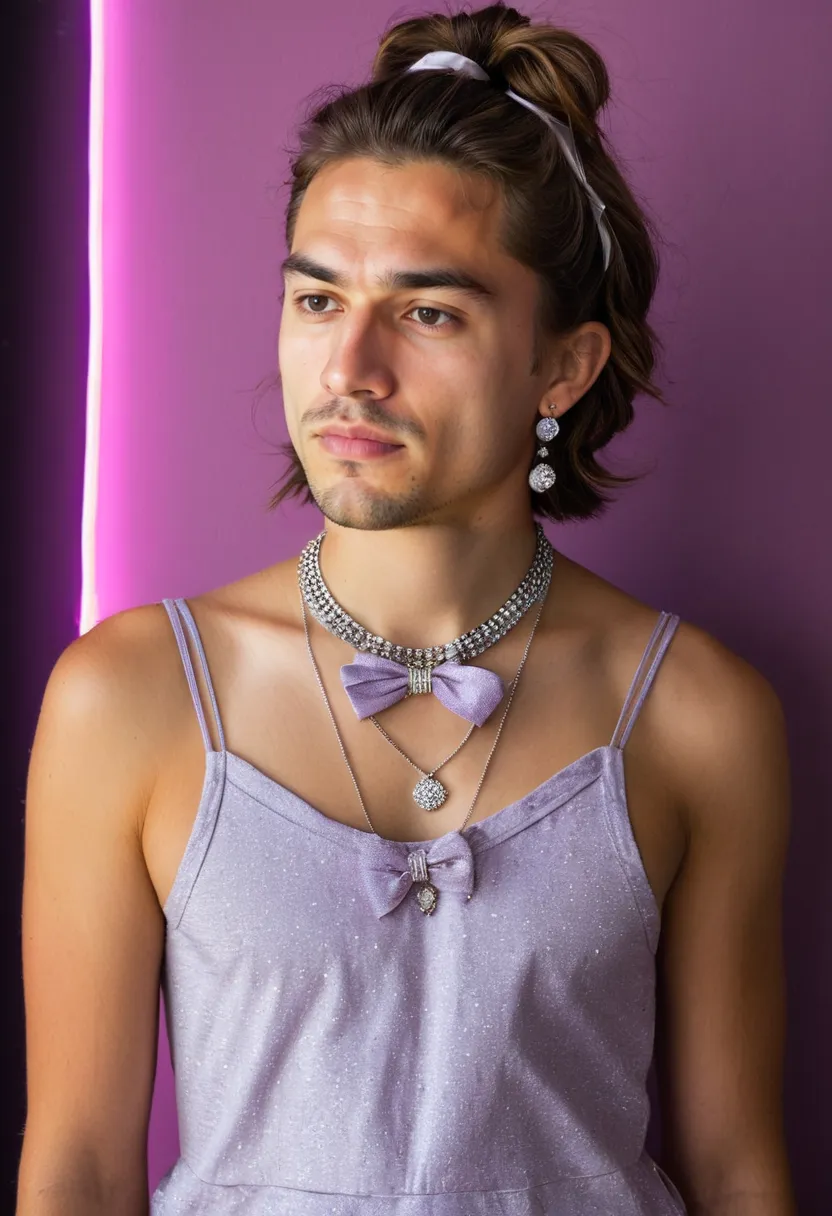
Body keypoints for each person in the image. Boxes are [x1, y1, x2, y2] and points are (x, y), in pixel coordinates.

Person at [17, 4, 796, 1214]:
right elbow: (74, 1164)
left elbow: (740, 1167)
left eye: (428, 312)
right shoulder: (127, 696)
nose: (349, 370)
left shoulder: (701, 715)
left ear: (563, 365)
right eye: (318, 300)